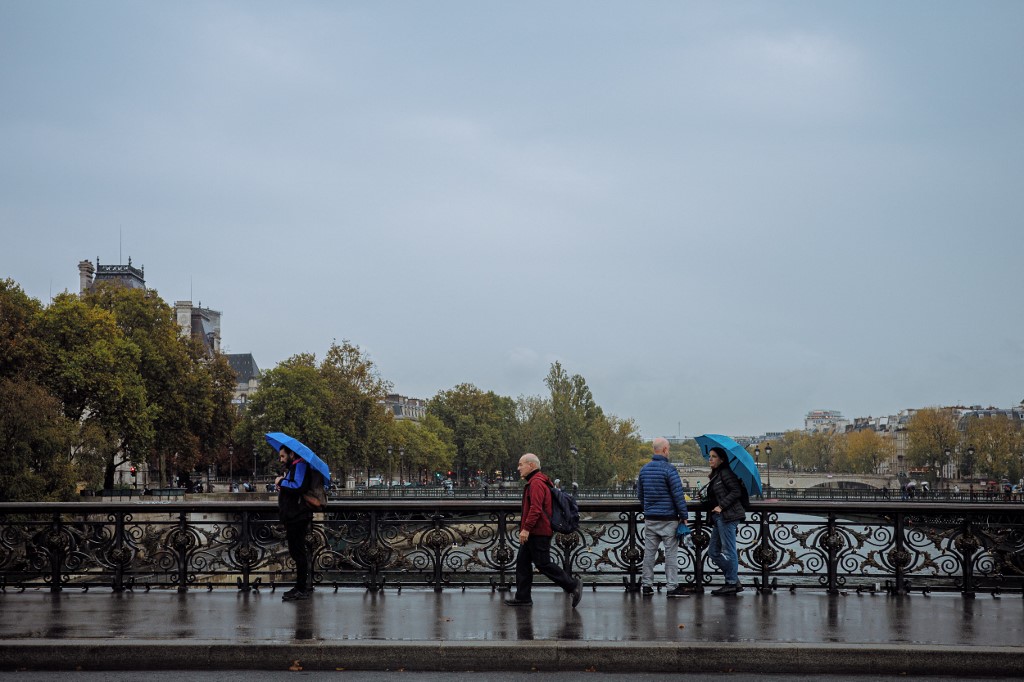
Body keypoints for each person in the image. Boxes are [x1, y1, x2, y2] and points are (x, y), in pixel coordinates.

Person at [504, 453, 583, 608]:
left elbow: (536, 509)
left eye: (521, 464)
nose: (518, 468)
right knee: (522, 563)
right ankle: (523, 597)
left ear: (531, 465)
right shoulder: (538, 481)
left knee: (543, 564)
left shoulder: (536, 483)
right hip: (536, 530)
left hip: (538, 531)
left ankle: (572, 585)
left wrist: (526, 529)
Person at [637, 437, 689, 597]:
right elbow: (678, 495)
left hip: (651, 518)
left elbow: (640, 494)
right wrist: (684, 515)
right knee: (671, 554)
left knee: (649, 554)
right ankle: (672, 587)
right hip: (668, 519)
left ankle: (646, 586)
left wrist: (649, 508)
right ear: (665, 449)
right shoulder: (669, 469)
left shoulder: (644, 470)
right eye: (669, 449)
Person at [275, 444, 314, 602]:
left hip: (297, 515)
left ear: (292, 454)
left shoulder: (301, 465)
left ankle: (301, 588)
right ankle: (299, 587)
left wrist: (281, 481)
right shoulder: (295, 466)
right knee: (296, 552)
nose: (281, 459)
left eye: (283, 456)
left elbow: (298, 486)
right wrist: (284, 484)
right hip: (294, 515)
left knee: (298, 553)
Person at [705, 447, 745, 595]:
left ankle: (731, 583)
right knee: (713, 552)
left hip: (729, 516)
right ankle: (733, 579)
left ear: (722, 459)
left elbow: (736, 491)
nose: (710, 459)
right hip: (719, 518)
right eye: (710, 456)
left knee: (729, 550)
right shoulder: (717, 475)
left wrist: (721, 506)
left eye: (714, 457)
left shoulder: (726, 473)